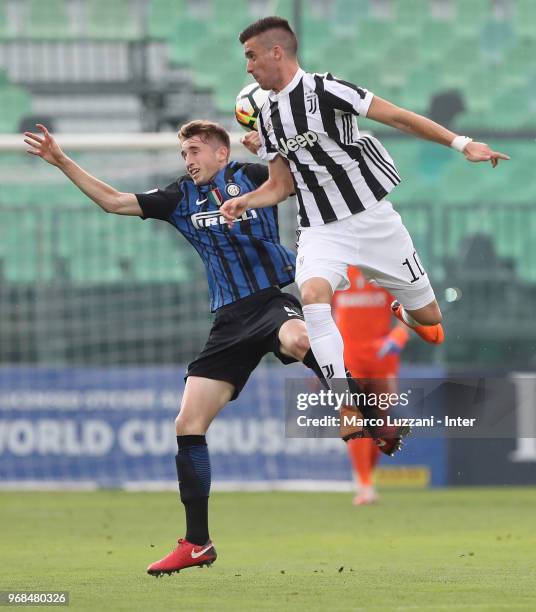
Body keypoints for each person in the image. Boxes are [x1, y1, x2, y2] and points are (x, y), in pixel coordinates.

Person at [23, 120, 398, 577]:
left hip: (271, 301)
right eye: (184, 154)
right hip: (228, 322)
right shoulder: (180, 197)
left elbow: (306, 179)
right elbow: (114, 201)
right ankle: (197, 543)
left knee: (299, 338)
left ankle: (362, 410)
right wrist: (61, 160)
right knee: (188, 422)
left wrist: (275, 145)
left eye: (196, 151)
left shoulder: (254, 177)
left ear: (222, 153)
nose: (189, 160)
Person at [220, 16, 509, 411]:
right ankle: (346, 406)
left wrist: (463, 143)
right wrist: (246, 200)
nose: (248, 67)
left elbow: (397, 116)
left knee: (428, 317)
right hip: (321, 228)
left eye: (252, 57)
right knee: (312, 296)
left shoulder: (326, 89)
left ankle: (404, 313)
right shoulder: (266, 118)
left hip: (373, 220)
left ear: (277, 52)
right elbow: (280, 185)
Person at [333, 266, 410, 505]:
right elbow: (324, 317)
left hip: (381, 358)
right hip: (349, 358)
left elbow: (410, 311)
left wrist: (399, 336)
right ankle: (364, 485)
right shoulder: (337, 273)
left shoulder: (382, 271)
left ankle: (367, 480)